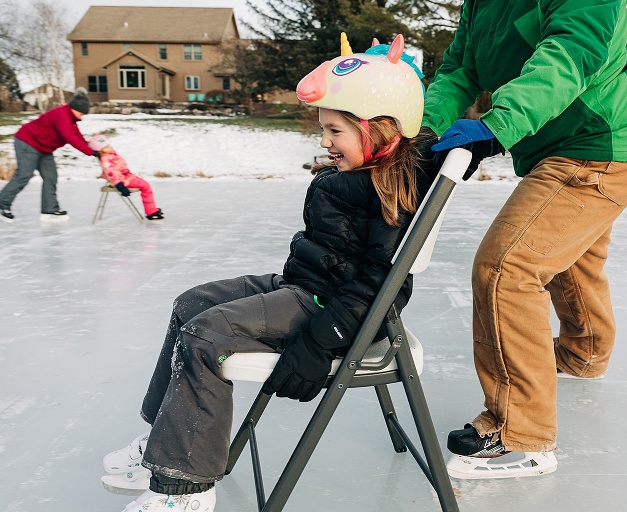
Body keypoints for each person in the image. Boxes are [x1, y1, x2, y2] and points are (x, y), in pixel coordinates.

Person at [102, 34, 436, 512]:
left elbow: (381, 285)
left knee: (206, 335)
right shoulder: (365, 173)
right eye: (324, 129)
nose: (324, 142)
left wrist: (323, 342)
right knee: (191, 303)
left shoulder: (391, 189)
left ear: (382, 130)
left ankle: (185, 489)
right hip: (304, 285)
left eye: (336, 131)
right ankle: (165, 442)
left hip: (328, 306)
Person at [421, 0, 627, 478]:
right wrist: (426, 127)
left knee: (507, 267)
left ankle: (520, 434)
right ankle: (583, 353)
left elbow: (568, 57)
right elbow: (459, 70)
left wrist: (495, 126)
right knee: (571, 261)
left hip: (598, 149)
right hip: (553, 150)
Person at [0, 88, 99, 223]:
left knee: (50, 176)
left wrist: (92, 149)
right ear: (75, 109)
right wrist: (90, 152)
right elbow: (70, 137)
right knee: (24, 175)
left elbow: (77, 136)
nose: (82, 117)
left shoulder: (70, 119)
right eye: (82, 113)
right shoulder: (61, 115)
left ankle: (49, 209)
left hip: (44, 149)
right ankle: (1, 204)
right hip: (28, 142)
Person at [87, 134, 164, 220]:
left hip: (127, 177)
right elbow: (111, 174)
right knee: (146, 186)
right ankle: (151, 212)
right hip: (122, 181)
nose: (109, 147)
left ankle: (151, 210)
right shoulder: (106, 159)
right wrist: (120, 186)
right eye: (106, 147)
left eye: (109, 145)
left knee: (146, 185)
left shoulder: (111, 155)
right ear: (100, 150)